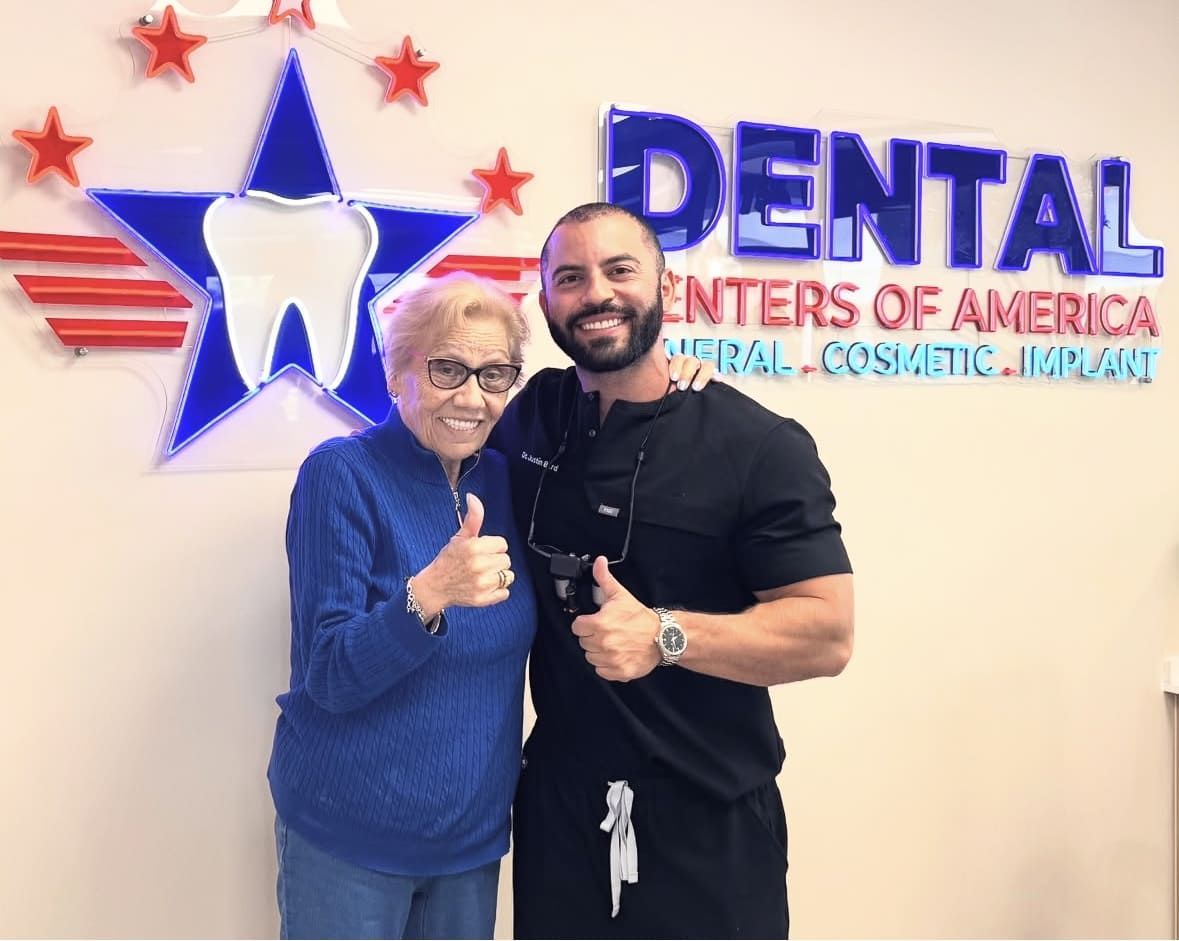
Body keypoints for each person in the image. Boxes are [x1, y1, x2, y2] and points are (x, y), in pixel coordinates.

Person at [490, 202, 855, 939]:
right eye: (570, 276)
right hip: (559, 815)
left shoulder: (757, 446)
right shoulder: (532, 413)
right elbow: (435, 414)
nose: (596, 293)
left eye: (619, 269)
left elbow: (826, 634)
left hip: (705, 822)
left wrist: (666, 635)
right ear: (545, 304)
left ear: (666, 287)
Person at [267, 272, 537, 940]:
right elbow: (328, 673)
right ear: (397, 373)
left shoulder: (507, 478)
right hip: (348, 834)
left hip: (469, 843)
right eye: (446, 369)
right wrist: (428, 593)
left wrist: (673, 382)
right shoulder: (342, 473)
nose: (471, 397)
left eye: (494, 374)